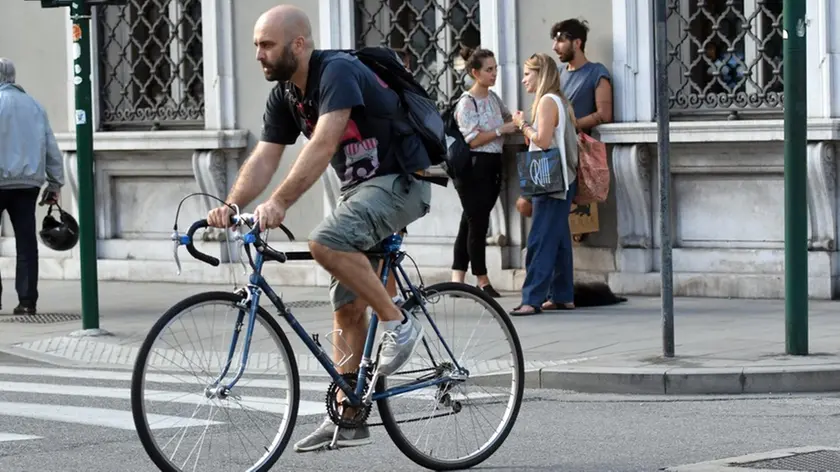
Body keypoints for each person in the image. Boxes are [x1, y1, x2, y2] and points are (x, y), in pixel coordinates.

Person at [205, 5, 432, 451]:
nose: (258, 54)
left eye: (266, 44)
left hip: (399, 182)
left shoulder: (339, 72)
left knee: (325, 241)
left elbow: (327, 140)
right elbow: (266, 155)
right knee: (345, 307)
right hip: (361, 193)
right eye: (255, 45)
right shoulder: (286, 96)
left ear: (299, 44)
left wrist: (281, 202)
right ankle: (350, 417)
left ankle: (400, 322)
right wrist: (232, 204)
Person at [508, 53, 579, 316]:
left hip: (550, 180)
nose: (524, 79)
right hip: (563, 178)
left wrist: (521, 124)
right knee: (559, 239)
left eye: (528, 73)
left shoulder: (548, 101)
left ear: (541, 74)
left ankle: (531, 299)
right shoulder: (559, 100)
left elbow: (544, 140)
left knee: (539, 239)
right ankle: (562, 295)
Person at [450, 46, 518, 298]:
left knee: (469, 220)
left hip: (493, 164)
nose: (494, 74)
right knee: (478, 222)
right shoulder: (467, 102)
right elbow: (473, 140)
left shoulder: (492, 98)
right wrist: (503, 129)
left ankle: (457, 278)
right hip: (473, 167)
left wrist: (516, 121)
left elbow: (507, 117)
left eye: (495, 69)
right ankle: (482, 279)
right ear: (475, 72)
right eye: (489, 70)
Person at [0, 58, 63, 315]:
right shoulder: (35, 105)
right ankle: (27, 301)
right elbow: (50, 147)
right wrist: (55, 181)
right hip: (27, 185)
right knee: (26, 243)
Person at [551, 18, 613, 134]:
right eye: (555, 41)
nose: (554, 47)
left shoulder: (597, 72)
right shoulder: (556, 74)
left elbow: (604, 114)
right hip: (554, 145)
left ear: (577, 43)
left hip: (579, 147)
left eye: (560, 41)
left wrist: (571, 126)